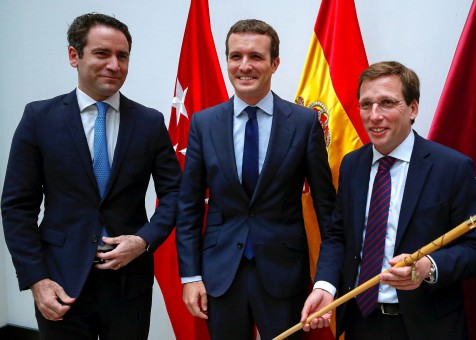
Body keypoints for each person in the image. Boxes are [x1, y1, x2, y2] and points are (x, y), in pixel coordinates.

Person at [1, 13, 181, 340]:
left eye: (122, 56)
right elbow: (17, 206)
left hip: (129, 281)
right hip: (59, 282)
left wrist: (143, 240)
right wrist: (37, 280)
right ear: (75, 56)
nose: (114, 64)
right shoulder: (38, 119)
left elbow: (176, 195)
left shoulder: (149, 123)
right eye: (102, 53)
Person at [300, 61, 476, 339]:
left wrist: (428, 268)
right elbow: (338, 236)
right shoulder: (352, 165)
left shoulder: (451, 167)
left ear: (412, 108)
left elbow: (474, 249)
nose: (374, 116)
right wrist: (324, 287)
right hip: (361, 322)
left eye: (387, 103)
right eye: (366, 104)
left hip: (428, 325)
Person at [175, 19, 335, 340]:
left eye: (256, 57)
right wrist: (190, 275)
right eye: (236, 56)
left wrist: (327, 280)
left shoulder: (304, 123)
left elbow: (328, 212)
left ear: (274, 63)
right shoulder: (204, 124)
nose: (244, 66)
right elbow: (189, 207)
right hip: (220, 276)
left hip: (283, 275)